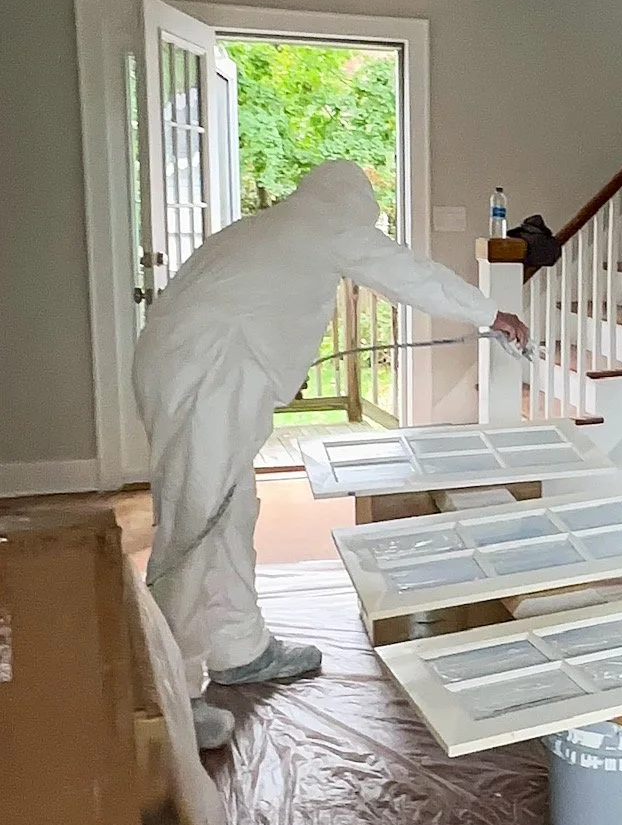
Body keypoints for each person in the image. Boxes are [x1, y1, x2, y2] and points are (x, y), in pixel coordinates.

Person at [135, 159, 529, 751]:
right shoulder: (323, 226)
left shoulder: (270, 227)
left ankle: (238, 648)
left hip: (196, 368)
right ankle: (170, 697)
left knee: (230, 510)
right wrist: (490, 313)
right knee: (194, 526)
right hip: (208, 376)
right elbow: (407, 272)